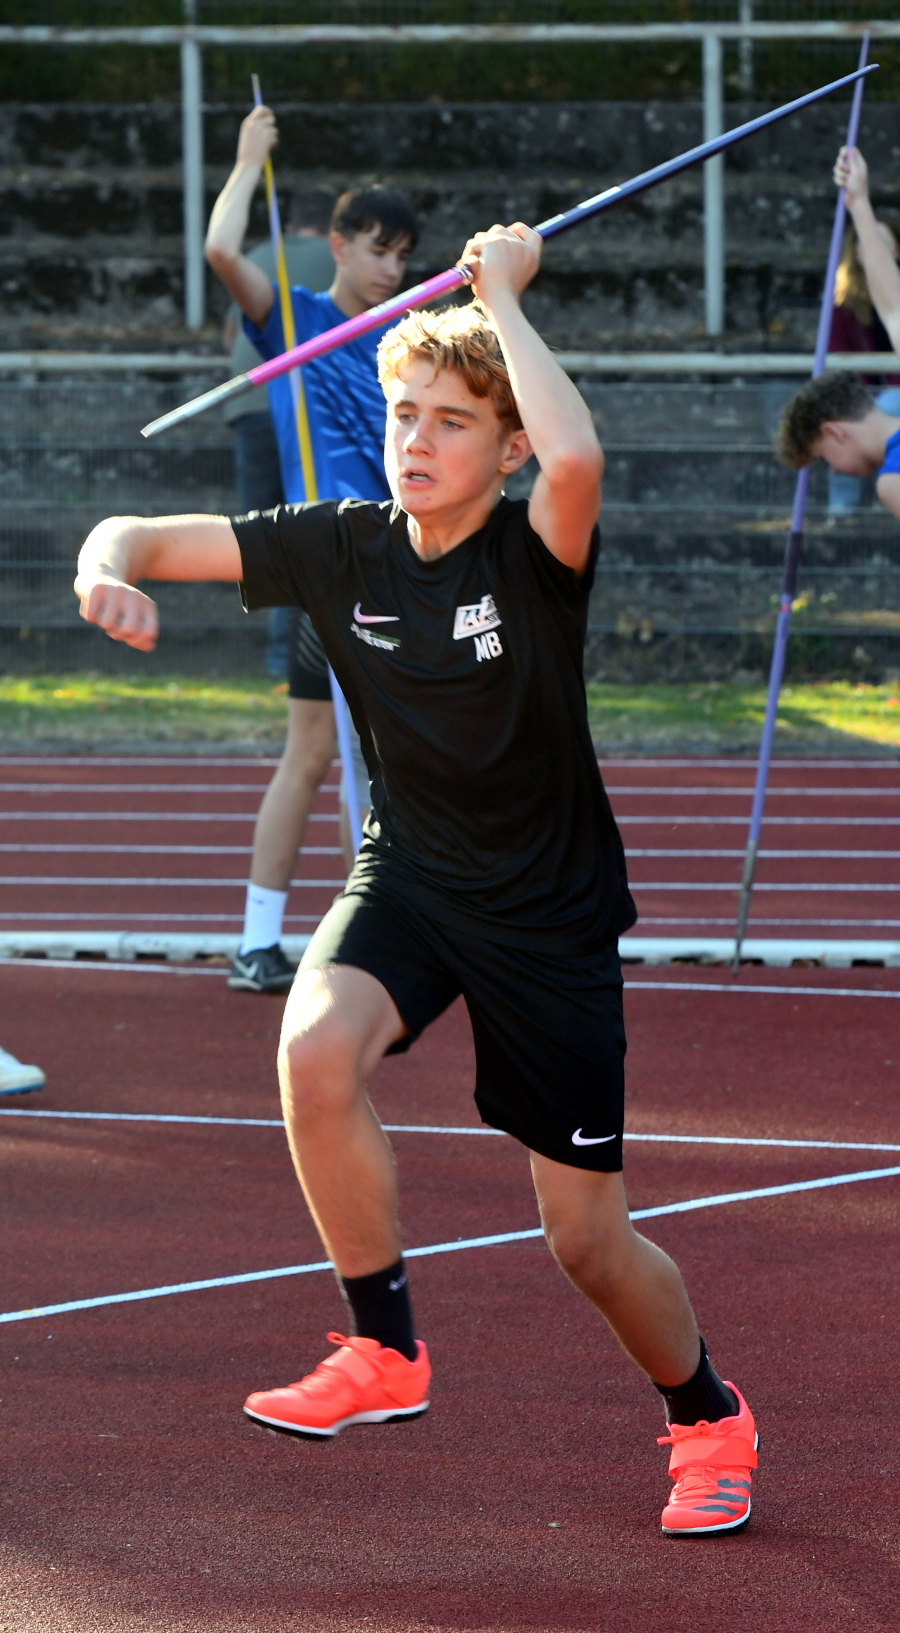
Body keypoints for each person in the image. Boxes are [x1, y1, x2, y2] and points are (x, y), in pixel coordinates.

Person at [75, 221, 759, 1538]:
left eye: (451, 419)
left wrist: (501, 297)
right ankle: (383, 1348)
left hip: (546, 914)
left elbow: (579, 458)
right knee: (314, 1053)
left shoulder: (532, 555)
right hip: (412, 876)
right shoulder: (340, 546)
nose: (415, 438)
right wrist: (104, 565)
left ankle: (706, 1413)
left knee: (585, 1242)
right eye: (401, 413)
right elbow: (142, 532)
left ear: (500, 451)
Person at [205, 103, 418, 993]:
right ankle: (270, 940)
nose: (393, 268)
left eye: (405, 254)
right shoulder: (291, 319)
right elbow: (222, 253)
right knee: (326, 754)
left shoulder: (414, 331)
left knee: (375, 757)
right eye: (378, 250)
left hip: (400, 557)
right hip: (324, 557)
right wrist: (250, 158)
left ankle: (351, 936)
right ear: (336, 243)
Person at [221, 185, 335, 678]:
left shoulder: (260, 253)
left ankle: (280, 658)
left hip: (249, 404)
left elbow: (233, 334)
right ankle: (302, 660)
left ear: (289, 225)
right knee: (306, 529)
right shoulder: (342, 260)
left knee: (263, 530)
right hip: (306, 406)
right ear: (339, 232)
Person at [776, 148, 900, 526]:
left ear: (834, 432)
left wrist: (861, 203)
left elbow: (893, 306)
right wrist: (859, 203)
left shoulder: (892, 482)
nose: (835, 471)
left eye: (824, 459)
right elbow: (892, 306)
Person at [826, 199, 900, 516]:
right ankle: (841, 509)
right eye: (870, 243)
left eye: (886, 242)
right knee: (847, 423)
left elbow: (893, 308)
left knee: (886, 407)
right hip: (866, 395)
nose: (877, 250)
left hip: (890, 399)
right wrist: (857, 199)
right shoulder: (843, 306)